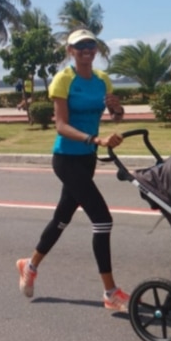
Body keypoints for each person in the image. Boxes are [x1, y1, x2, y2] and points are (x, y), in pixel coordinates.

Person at [16, 28, 130, 312]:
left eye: (91, 45)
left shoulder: (103, 80)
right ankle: (110, 292)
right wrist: (95, 139)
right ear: (70, 51)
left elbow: (114, 115)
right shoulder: (64, 79)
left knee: (62, 218)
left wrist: (117, 111)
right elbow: (61, 126)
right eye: (80, 46)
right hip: (66, 159)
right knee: (103, 220)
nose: (86, 50)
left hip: (87, 159)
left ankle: (29, 266)